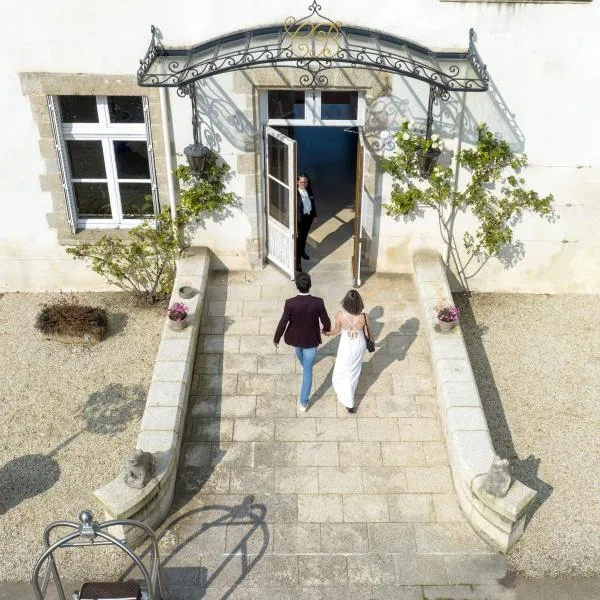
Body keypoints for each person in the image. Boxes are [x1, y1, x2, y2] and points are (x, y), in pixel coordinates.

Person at [273, 272, 331, 412]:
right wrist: (326, 329)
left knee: (303, 362)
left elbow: (283, 322)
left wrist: (277, 338)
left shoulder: (290, 303)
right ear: (310, 285)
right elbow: (325, 319)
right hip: (311, 340)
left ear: (297, 286)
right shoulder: (318, 302)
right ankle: (303, 403)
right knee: (307, 370)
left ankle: (303, 367)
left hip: (295, 338)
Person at [324, 289, 370, 413]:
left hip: (346, 344)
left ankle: (348, 401)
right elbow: (369, 334)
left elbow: (336, 331)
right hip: (359, 344)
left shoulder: (339, 315)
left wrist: (326, 333)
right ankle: (349, 398)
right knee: (353, 371)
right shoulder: (364, 317)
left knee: (341, 369)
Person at [296, 173, 317, 272]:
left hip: (308, 218)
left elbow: (312, 203)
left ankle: (302, 252)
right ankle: (298, 262)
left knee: (304, 237)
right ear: (297, 182)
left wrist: (314, 216)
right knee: (298, 240)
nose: (304, 184)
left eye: (306, 182)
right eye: (302, 182)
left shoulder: (309, 189)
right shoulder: (295, 193)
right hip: (299, 220)